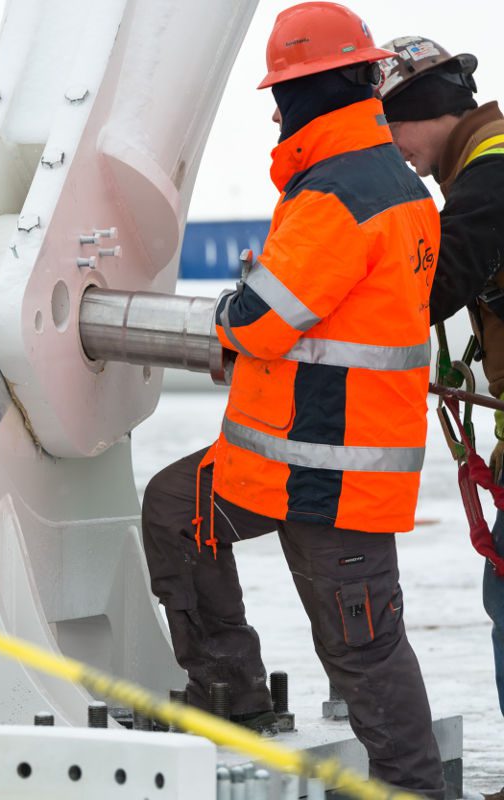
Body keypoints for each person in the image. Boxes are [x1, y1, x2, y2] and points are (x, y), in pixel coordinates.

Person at [139, 4, 446, 796]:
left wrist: (231, 315)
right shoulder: (382, 182)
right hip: (286, 461)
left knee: (364, 652)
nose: (276, 109)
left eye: (284, 90)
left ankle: (416, 790)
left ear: (319, 89)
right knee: (178, 510)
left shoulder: (336, 194)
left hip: (329, 476)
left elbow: (258, 320)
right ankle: (231, 696)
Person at [377, 33, 504, 784]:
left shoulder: (489, 175)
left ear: (425, 110)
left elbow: (433, 286)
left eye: (391, 127)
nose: (390, 150)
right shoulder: (480, 168)